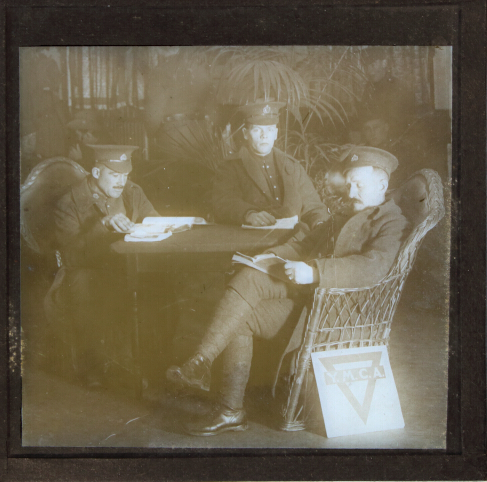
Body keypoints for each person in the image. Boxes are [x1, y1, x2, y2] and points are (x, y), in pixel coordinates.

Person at [166, 146, 408, 436]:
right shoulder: (348, 211)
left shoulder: (392, 221)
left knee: (245, 301)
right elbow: (304, 243)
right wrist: (269, 256)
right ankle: (221, 395)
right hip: (313, 301)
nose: (352, 191)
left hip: (342, 314)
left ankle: (203, 366)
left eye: (360, 184)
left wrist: (316, 271)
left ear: (382, 184)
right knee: (249, 280)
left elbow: (373, 267)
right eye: (350, 183)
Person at [44, 145, 160, 388]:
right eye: (114, 175)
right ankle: (93, 365)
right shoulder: (69, 202)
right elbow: (72, 257)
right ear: (96, 173)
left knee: (161, 284)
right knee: (84, 283)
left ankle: (148, 362)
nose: (121, 182)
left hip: (126, 265)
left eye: (125, 175)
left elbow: (153, 219)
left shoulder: (131, 191)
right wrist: (103, 225)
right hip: (87, 269)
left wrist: (161, 225)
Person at [213, 100, 329, 232]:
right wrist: (249, 214)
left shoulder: (292, 166)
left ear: (276, 133)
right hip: (251, 238)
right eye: (257, 130)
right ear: (246, 134)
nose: (264, 136)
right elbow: (223, 203)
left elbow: (313, 206)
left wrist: (319, 223)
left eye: (269, 130)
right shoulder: (231, 166)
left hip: (293, 238)